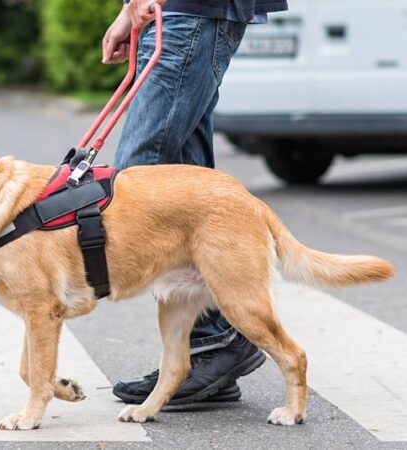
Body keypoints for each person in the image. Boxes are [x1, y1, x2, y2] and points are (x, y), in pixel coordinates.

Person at [102, 0, 288, 405]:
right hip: (178, 12)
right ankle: (211, 348)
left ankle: (216, 343)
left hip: (189, 11)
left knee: (138, 183)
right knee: (185, 172)